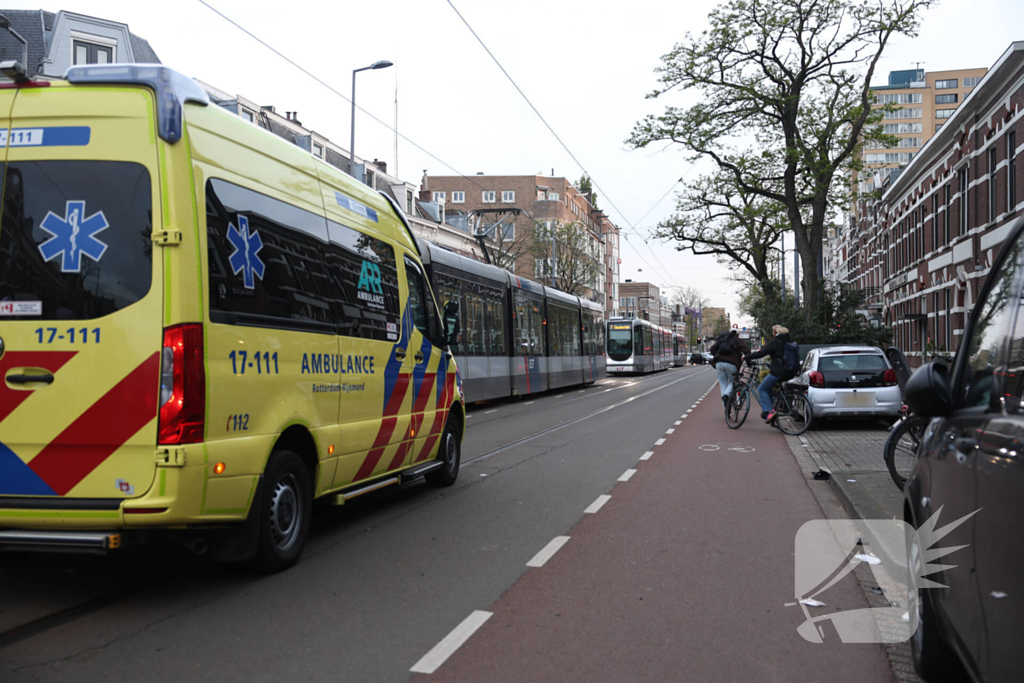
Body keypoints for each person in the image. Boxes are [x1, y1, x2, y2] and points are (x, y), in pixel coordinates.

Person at [745, 325, 794, 422]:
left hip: (778, 372)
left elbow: (761, 353)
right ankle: (771, 412)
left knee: (761, 388)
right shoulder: (787, 341)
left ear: (774, 333)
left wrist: (746, 357)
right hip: (788, 371)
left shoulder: (775, 342)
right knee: (769, 388)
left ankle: (769, 411)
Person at [709, 329, 750, 409]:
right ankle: (727, 396)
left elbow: (712, 348)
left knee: (723, 384)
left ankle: (726, 407)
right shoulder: (737, 340)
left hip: (719, 363)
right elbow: (747, 351)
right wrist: (749, 363)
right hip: (732, 364)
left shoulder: (722, 340)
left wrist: (717, 356)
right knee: (733, 381)